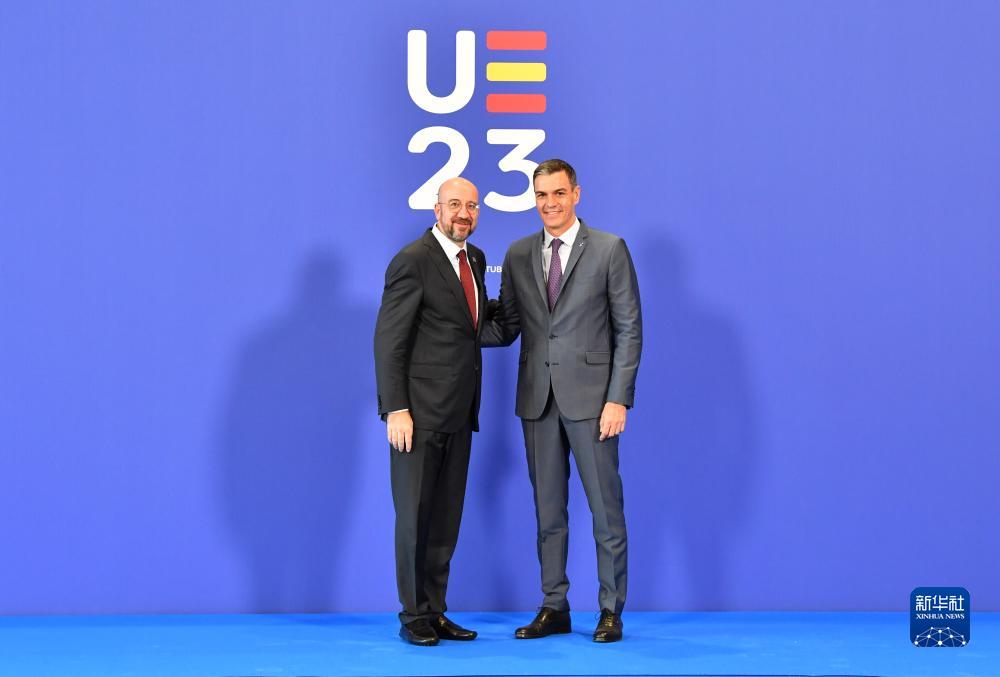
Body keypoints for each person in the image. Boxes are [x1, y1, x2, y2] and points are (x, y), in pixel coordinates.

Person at [482, 159, 642, 643]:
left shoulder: (610, 249)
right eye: (541, 195)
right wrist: (448, 326)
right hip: (537, 401)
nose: (549, 203)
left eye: (558, 193)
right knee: (548, 513)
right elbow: (507, 327)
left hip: (594, 403)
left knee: (605, 512)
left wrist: (618, 399)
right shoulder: (518, 253)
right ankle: (554, 606)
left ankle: (610, 610)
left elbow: (629, 330)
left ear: (576, 194)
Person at [374, 177, 489, 646]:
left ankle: (436, 610)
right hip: (417, 417)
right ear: (436, 209)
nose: (464, 213)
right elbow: (389, 342)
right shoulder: (413, 260)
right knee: (414, 518)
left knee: (444, 519)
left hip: (460, 413)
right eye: (454, 204)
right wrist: (395, 408)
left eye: (472, 206)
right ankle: (412, 616)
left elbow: (474, 329)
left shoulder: (475, 259)